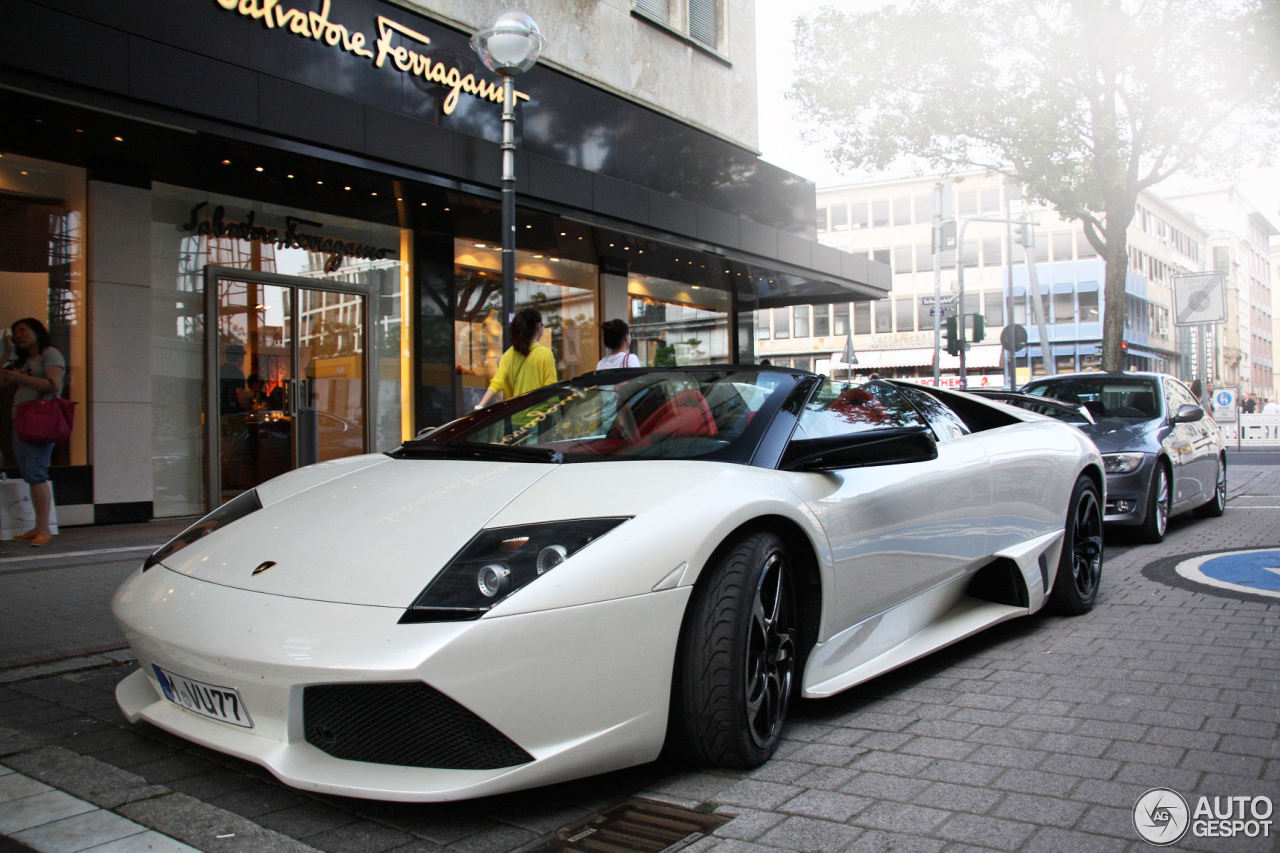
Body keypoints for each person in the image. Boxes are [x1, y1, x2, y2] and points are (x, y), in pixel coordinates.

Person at [1, 318, 65, 546]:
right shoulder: (24, 359)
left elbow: (54, 385)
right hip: (22, 419)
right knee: (30, 472)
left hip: (39, 419)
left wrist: (20, 378)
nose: (18, 335)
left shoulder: (50, 354)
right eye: (15, 332)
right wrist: (7, 352)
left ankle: (44, 528)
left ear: (37, 331)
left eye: (22, 331)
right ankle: (38, 526)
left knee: (36, 472)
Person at [475, 308, 558, 409]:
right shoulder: (545, 354)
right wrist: (557, 414)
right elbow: (551, 389)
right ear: (538, 326)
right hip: (539, 416)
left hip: (516, 416)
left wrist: (480, 405)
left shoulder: (508, 356)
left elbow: (497, 383)